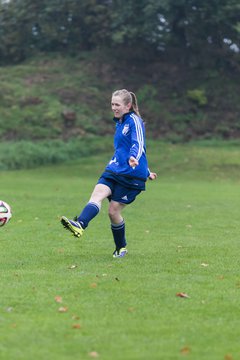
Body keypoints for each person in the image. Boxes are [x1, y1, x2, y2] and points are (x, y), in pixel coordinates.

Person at [61, 89, 157, 258]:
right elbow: (122, 148)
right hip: (114, 169)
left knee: (113, 212)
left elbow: (139, 143)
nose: (114, 107)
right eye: (112, 104)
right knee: (97, 194)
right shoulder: (119, 122)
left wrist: (136, 160)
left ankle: (121, 247)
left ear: (128, 105)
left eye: (117, 104)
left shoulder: (134, 120)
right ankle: (80, 224)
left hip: (131, 176)